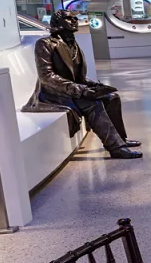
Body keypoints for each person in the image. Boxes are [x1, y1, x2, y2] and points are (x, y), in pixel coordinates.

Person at [22, 9, 142, 159]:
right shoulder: (45, 44)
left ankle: (120, 139)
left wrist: (94, 86)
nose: (74, 21)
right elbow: (47, 77)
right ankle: (116, 148)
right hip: (54, 94)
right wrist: (80, 90)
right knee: (93, 104)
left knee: (112, 97)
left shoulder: (73, 44)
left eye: (75, 18)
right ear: (58, 22)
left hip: (72, 90)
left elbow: (78, 76)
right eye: (69, 19)